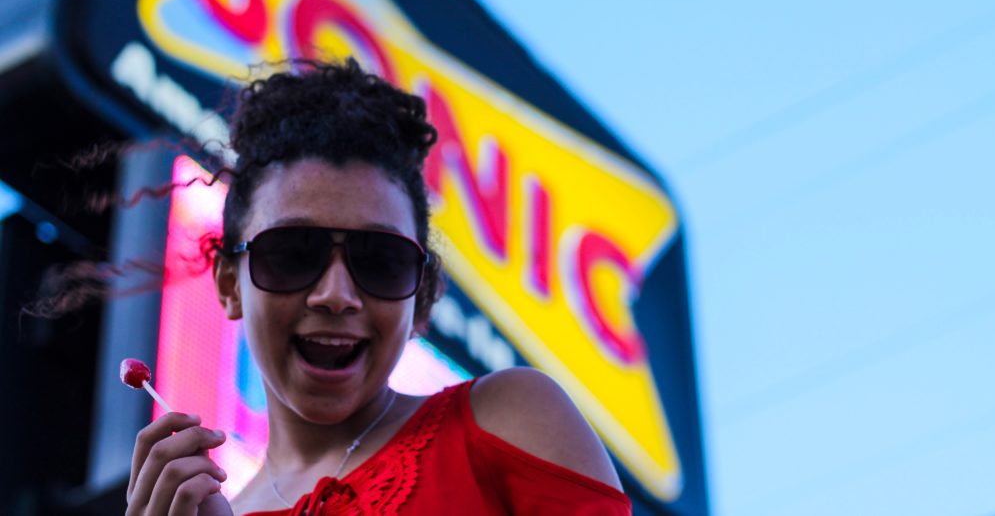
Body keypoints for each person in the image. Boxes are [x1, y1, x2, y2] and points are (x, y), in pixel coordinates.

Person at [124, 60, 631, 515]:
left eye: (382, 262)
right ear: (230, 283)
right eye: (293, 254)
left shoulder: (506, 421)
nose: (336, 294)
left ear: (421, 294)